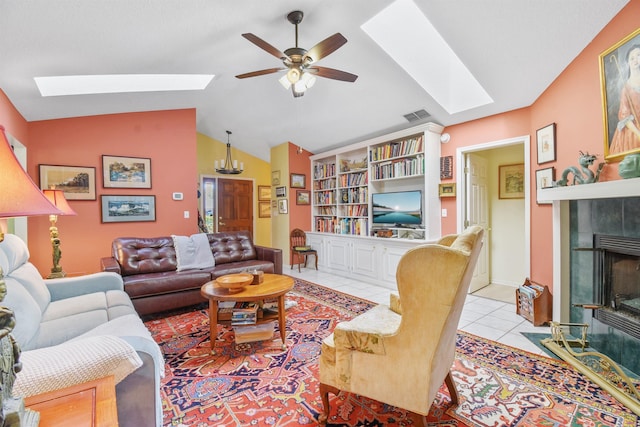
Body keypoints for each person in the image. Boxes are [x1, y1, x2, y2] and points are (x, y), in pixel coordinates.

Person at [609, 44, 640, 154]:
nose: (636, 60)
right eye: (632, 58)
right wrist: (638, 133)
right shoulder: (626, 88)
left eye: (638, 55)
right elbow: (625, 116)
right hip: (632, 132)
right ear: (628, 63)